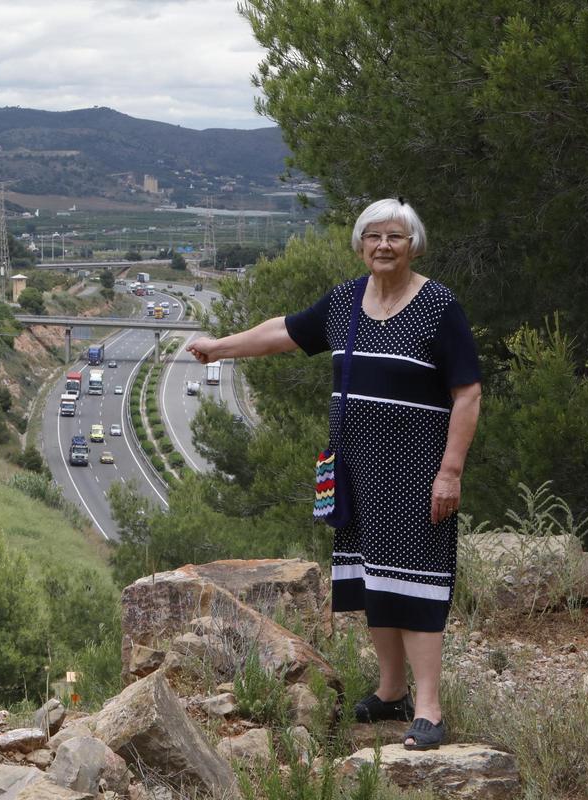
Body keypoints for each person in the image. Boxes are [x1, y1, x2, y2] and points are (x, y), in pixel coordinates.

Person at [186, 198, 482, 750]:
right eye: (373, 236)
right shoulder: (346, 302)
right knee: (372, 581)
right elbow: (286, 332)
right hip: (357, 469)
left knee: (417, 584)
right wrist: (221, 347)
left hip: (419, 473)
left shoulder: (441, 307)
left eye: (395, 236)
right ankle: (390, 689)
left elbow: (468, 393)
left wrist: (450, 471)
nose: (384, 246)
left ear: (412, 244)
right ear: (360, 244)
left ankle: (429, 709)